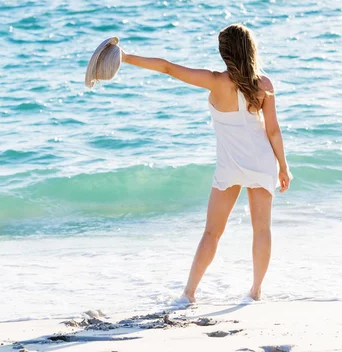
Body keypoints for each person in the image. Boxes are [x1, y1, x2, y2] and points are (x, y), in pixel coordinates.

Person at [120, 23, 292, 302]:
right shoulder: (263, 85)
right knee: (262, 229)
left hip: (230, 164)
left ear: (224, 54)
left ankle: (189, 293)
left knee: (212, 231)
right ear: (250, 50)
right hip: (262, 162)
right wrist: (284, 167)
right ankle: (256, 291)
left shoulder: (214, 81)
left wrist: (125, 57)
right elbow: (273, 130)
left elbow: (168, 68)